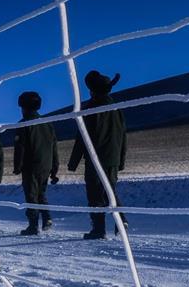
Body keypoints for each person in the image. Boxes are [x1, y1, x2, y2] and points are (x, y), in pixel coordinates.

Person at [67, 70, 128, 240]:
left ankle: (98, 229)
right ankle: (121, 218)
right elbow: (123, 135)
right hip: (113, 157)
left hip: (95, 157)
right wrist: (121, 160)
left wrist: (73, 162)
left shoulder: (90, 109)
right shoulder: (116, 108)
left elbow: (82, 137)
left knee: (95, 193)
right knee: (109, 189)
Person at [13, 91, 59, 235]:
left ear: (23, 107)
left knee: (31, 195)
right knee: (41, 192)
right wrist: (54, 167)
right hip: (46, 165)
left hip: (30, 165)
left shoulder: (23, 124)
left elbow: (20, 147)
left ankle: (33, 226)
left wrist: (17, 166)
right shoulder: (47, 123)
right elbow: (54, 146)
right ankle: (47, 218)